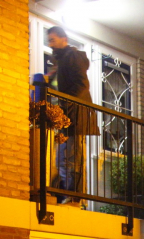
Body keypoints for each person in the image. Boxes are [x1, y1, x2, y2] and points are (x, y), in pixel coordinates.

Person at [46, 26, 100, 205]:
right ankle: (67, 194)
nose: (50, 43)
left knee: (70, 157)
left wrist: (67, 104)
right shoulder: (61, 61)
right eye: (49, 40)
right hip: (65, 116)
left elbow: (81, 85)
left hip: (74, 115)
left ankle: (74, 197)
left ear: (64, 39)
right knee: (63, 157)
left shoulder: (72, 57)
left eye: (53, 39)